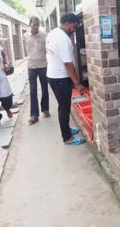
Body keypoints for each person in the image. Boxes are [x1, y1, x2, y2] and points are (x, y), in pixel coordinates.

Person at [46, 13, 87, 145]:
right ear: (67, 23)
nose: (74, 30)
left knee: (63, 105)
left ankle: (67, 129)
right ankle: (67, 138)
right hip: (60, 78)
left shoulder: (52, 33)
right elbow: (68, 64)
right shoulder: (63, 39)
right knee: (63, 108)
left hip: (53, 76)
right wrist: (77, 83)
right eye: (73, 27)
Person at [23, 16, 50, 125]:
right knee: (33, 90)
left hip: (43, 65)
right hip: (31, 66)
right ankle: (34, 115)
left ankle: (45, 109)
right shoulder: (25, 36)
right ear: (30, 24)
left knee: (44, 88)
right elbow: (27, 49)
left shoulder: (44, 36)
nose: (36, 26)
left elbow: (48, 50)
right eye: (34, 24)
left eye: (38, 24)